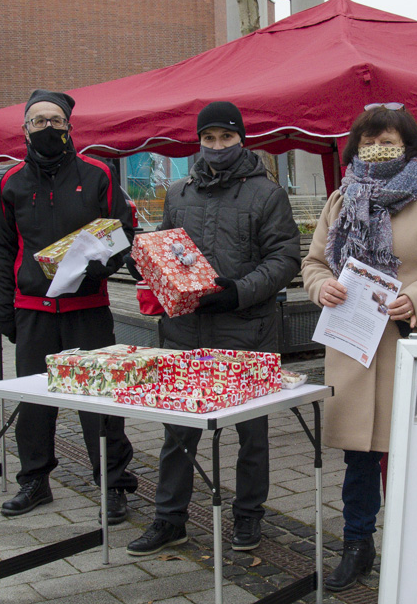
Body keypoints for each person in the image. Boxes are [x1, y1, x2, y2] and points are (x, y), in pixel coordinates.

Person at [301, 103, 417, 591]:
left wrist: (416, 295)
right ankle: (358, 545)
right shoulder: (340, 200)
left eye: (388, 141)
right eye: (369, 140)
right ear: (355, 146)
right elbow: (314, 263)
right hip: (354, 346)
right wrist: (320, 288)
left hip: (411, 343)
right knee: (359, 457)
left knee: (413, 456)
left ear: (409, 146)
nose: (377, 149)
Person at [125, 101, 300, 556]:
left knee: (251, 434)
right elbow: (166, 246)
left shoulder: (267, 194)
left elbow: (284, 260)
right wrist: (145, 261)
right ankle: (169, 519)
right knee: (177, 431)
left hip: (246, 328)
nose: (217, 146)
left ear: (241, 138)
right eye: (209, 138)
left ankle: (248, 516)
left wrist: (238, 291)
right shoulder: (179, 192)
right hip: (185, 330)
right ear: (198, 141)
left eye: (226, 137)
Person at [0, 89, 138, 522]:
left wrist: (102, 266)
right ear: (25, 129)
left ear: (69, 126)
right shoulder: (10, 182)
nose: (48, 128)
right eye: (38, 121)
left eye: (55, 120)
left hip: (87, 309)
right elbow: (2, 250)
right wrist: (5, 307)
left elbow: (120, 233)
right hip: (32, 310)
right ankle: (34, 481)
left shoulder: (97, 174)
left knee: (100, 403)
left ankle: (113, 484)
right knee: (34, 403)